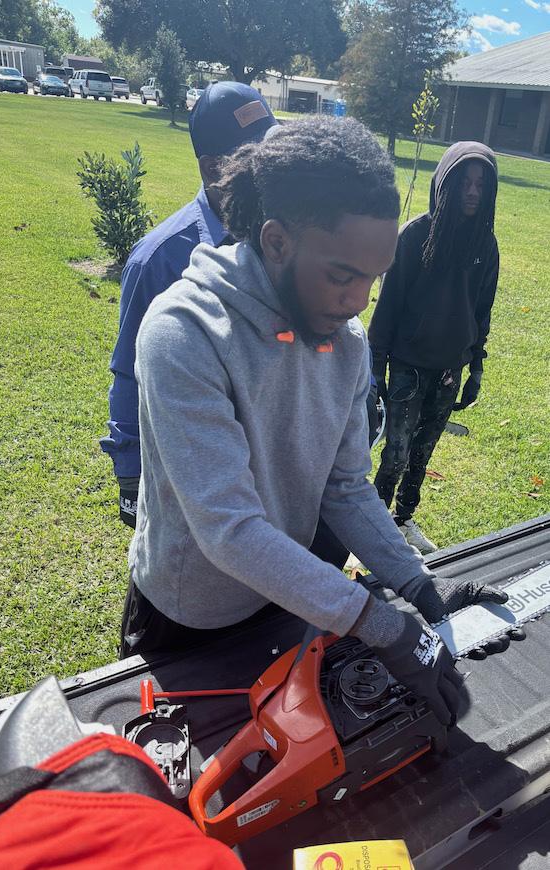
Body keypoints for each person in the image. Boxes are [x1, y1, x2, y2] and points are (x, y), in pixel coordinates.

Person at [122, 118, 507, 728]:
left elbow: (345, 487)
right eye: (342, 275)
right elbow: (229, 529)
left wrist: (419, 587)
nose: (359, 301)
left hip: (291, 596)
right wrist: (382, 625)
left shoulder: (347, 344)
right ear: (276, 241)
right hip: (190, 620)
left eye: (373, 279)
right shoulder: (184, 333)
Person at [100, 81, 278, 529]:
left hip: (267, 462)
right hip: (188, 467)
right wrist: (130, 475)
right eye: (256, 159)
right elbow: (130, 370)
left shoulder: (282, 239)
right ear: (213, 168)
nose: (273, 168)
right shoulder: (159, 260)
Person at [369, 142, 499, 554]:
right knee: (396, 453)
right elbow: (386, 311)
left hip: (449, 369)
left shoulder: (485, 245)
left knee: (422, 454)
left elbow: (481, 312)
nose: (472, 192)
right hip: (407, 366)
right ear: (446, 183)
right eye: (465, 183)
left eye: (481, 184)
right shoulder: (414, 237)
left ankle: (403, 520)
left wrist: (475, 368)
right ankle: (375, 532)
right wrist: (375, 372)